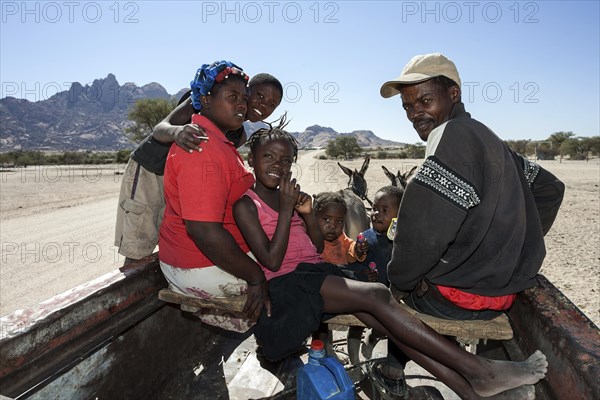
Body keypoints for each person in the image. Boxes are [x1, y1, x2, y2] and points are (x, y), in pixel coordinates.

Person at [233, 120, 548, 400]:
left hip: (314, 274)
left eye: (286, 159)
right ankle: (481, 370)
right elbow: (271, 261)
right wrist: (288, 210)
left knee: (390, 324)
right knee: (379, 294)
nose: (278, 164)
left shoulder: (291, 196)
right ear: (251, 160)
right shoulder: (247, 206)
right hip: (286, 286)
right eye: (269, 157)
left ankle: (471, 390)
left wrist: (306, 214)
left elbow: (316, 247)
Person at [373, 52, 565, 395]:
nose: (415, 112)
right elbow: (550, 190)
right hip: (501, 293)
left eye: (425, 100)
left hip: (458, 296)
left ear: (453, 95)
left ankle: (466, 381)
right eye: (407, 106)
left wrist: (399, 284)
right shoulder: (488, 139)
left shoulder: (451, 135)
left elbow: (423, 233)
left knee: (379, 306)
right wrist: (511, 251)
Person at [114, 72, 283, 264]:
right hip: (152, 170)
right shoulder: (203, 99)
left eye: (272, 104)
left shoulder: (239, 135)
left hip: (182, 183)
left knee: (171, 235)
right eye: (259, 96)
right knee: (139, 243)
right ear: (246, 91)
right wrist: (177, 131)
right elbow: (160, 129)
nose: (263, 105)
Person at [158, 61, 271, 333]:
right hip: (197, 261)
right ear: (206, 101)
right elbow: (203, 231)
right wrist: (255, 278)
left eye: (244, 99)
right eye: (233, 98)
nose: (242, 105)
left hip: (205, 255)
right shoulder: (202, 147)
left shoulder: (219, 141)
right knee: (290, 285)